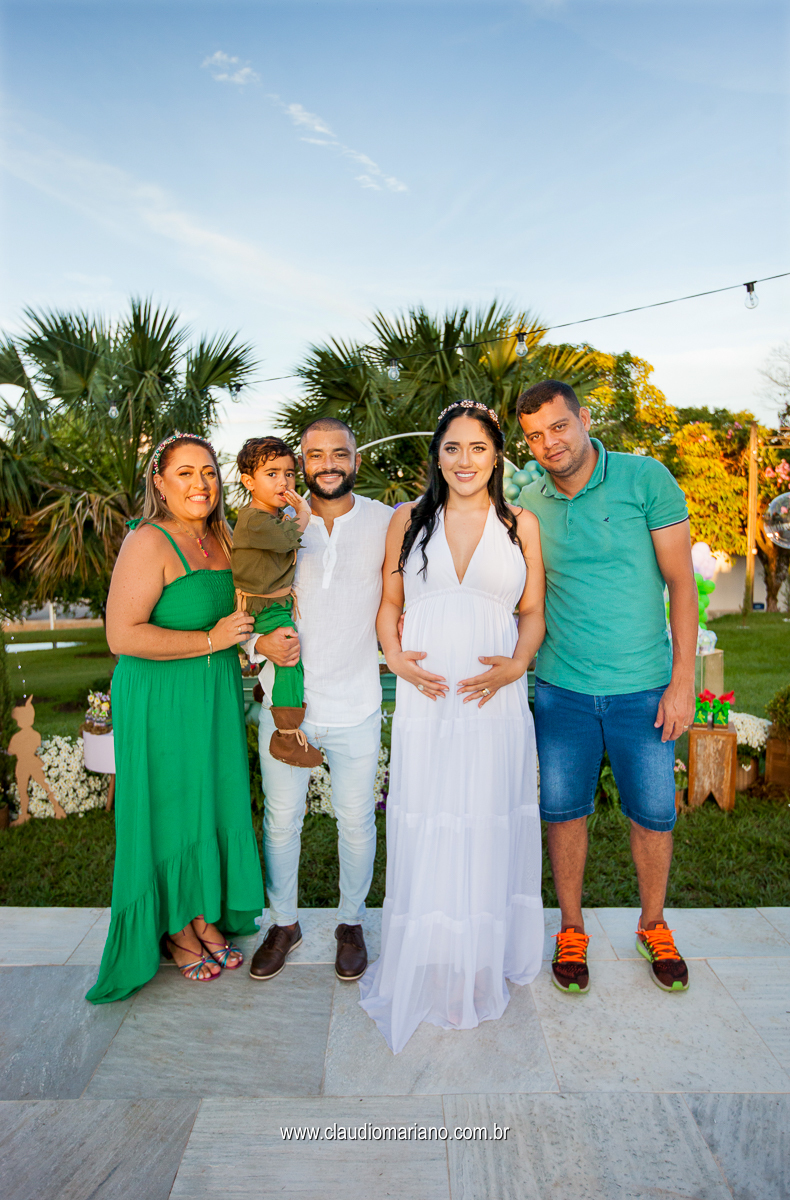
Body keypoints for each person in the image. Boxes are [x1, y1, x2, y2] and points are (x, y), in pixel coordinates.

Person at [359, 400, 546, 1054]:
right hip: (428, 699)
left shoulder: (520, 524)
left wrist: (516, 664)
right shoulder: (407, 520)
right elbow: (389, 603)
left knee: (486, 818)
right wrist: (395, 658)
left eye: (478, 448)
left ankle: (480, 958)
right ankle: (432, 955)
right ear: (436, 457)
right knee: (433, 818)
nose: (465, 460)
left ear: (497, 457)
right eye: (452, 448)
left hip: (495, 702)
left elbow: (532, 613)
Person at [516, 380, 697, 995]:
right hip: (561, 688)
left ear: (585, 419)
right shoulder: (529, 503)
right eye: (534, 436)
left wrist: (683, 681)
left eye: (558, 427)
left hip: (643, 688)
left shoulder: (645, 479)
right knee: (564, 812)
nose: (549, 443)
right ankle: (571, 928)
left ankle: (653, 924)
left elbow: (682, 585)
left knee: (654, 814)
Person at [87, 433, 264, 1003]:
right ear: (159, 484)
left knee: (208, 797)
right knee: (169, 806)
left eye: (208, 471)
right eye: (184, 473)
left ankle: (202, 912)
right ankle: (174, 927)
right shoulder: (148, 541)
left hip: (212, 690)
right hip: (160, 695)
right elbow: (121, 635)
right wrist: (212, 639)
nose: (200, 484)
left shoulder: (222, 536)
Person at [243, 418, 392, 984]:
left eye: (339, 453)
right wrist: (257, 645)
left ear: (356, 458)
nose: (328, 463)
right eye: (315, 454)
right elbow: (244, 599)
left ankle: (351, 923)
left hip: (357, 704)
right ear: (301, 462)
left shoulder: (385, 521)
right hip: (288, 706)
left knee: (356, 821)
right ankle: (284, 923)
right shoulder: (269, 524)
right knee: (282, 822)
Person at [231, 436, 321, 768]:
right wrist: (304, 511)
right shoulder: (254, 519)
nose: (283, 481)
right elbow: (287, 541)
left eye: (289, 474)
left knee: (285, 653)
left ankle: (266, 690)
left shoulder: (272, 516)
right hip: (263, 607)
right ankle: (287, 735)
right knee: (290, 657)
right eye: (271, 474)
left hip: (275, 602)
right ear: (249, 482)